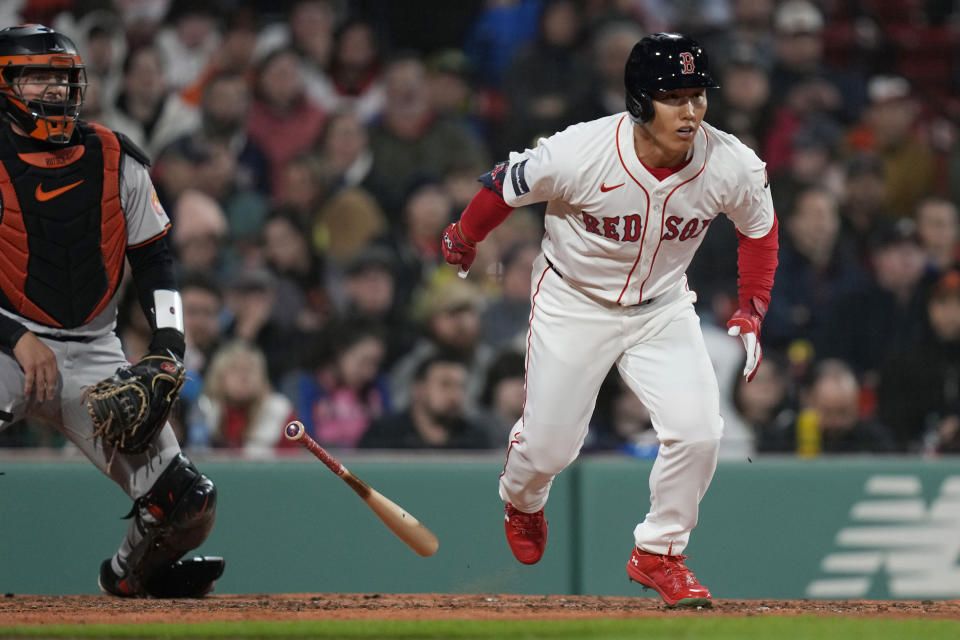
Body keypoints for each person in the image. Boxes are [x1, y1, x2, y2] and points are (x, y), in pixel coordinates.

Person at [441, 33, 778, 607]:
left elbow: (759, 230)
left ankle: (660, 552)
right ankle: (522, 500)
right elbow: (503, 186)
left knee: (699, 431)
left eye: (699, 95)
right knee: (549, 450)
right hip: (573, 301)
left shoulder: (730, 163)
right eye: (676, 97)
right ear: (641, 101)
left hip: (662, 307)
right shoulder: (579, 152)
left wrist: (752, 307)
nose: (692, 111)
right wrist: (463, 236)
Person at [0, 25, 222, 597]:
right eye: (37, 77)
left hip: (94, 347)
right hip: (6, 342)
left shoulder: (117, 155)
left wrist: (169, 346)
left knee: (188, 504)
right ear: (5, 85)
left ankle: (126, 576)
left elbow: (157, 263)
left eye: (61, 78)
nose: (53, 91)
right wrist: (17, 339)